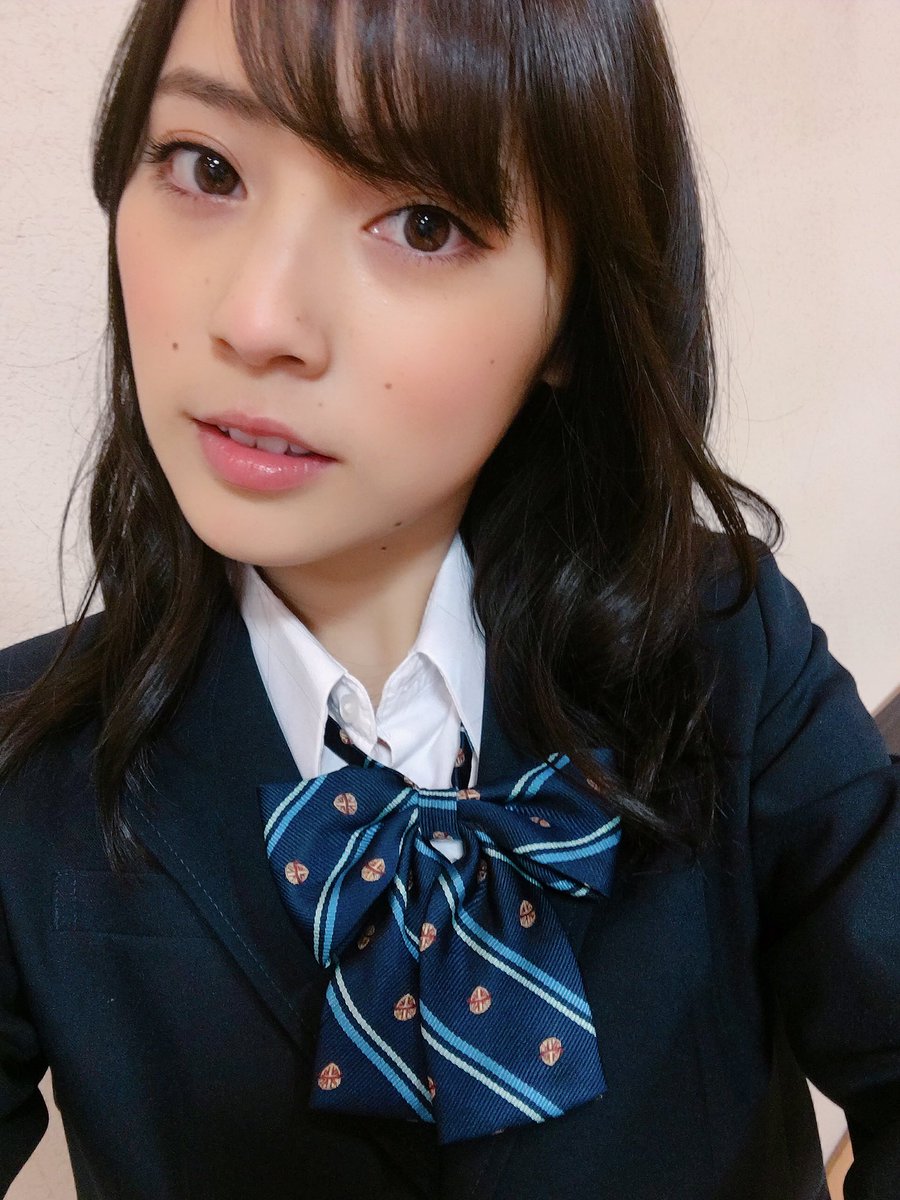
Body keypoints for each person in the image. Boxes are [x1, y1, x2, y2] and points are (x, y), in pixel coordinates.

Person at [0, 0, 897, 1196]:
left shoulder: (724, 642)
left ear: (570, 317)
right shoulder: (25, 766)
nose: (257, 320)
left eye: (422, 222)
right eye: (207, 168)